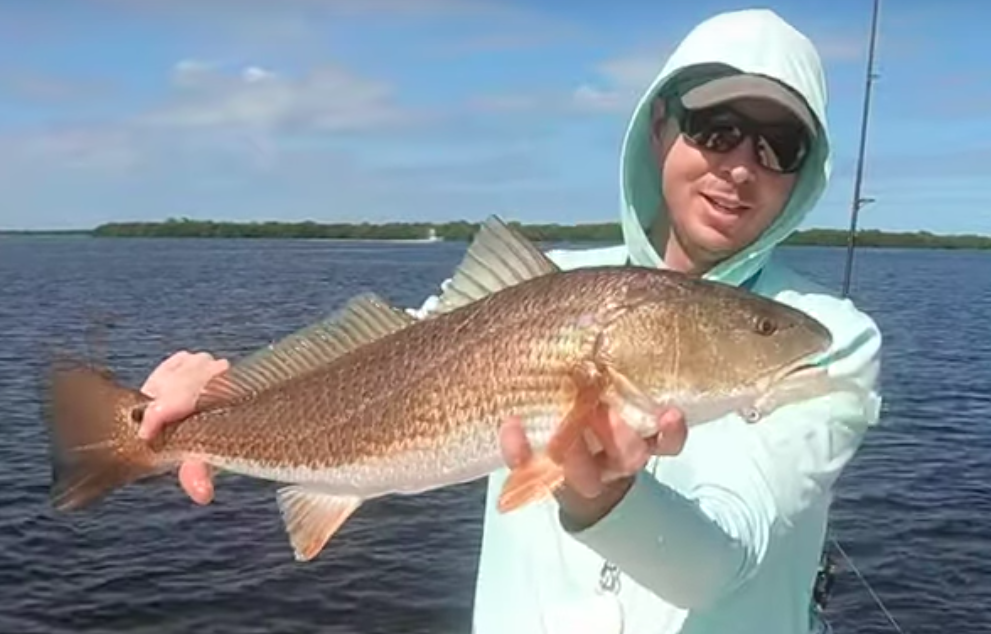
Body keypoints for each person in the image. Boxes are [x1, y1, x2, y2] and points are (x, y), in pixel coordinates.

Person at [135, 8, 883, 634]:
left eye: (778, 146)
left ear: (804, 174)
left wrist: (604, 498)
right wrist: (216, 393)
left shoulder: (830, 340)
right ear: (660, 130)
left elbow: (726, 562)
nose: (741, 166)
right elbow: (381, 357)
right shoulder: (538, 283)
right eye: (714, 129)